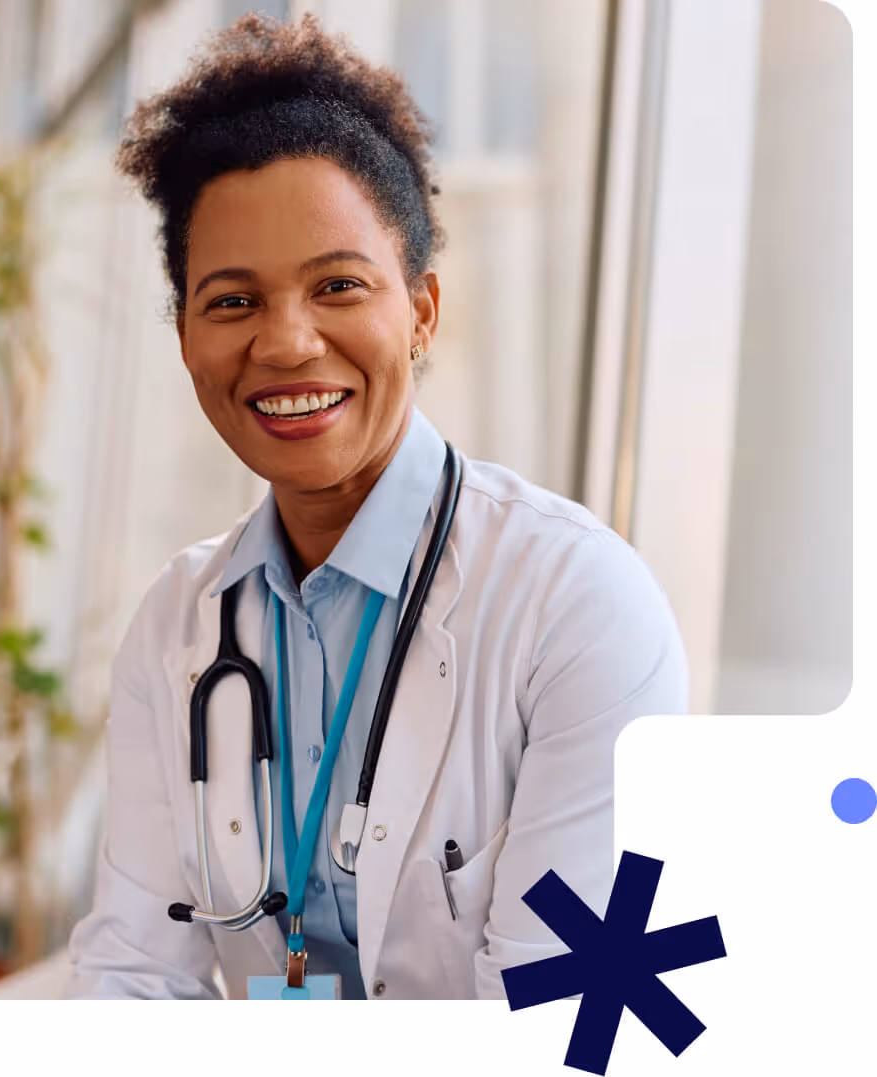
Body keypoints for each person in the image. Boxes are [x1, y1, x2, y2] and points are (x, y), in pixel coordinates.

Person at [64, 12, 687, 1000]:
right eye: (230, 301)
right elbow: (135, 969)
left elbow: (558, 1020)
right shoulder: (174, 627)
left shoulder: (575, 603)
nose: (286, 343)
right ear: (184, 334)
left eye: (337, 286)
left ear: (422, 309)